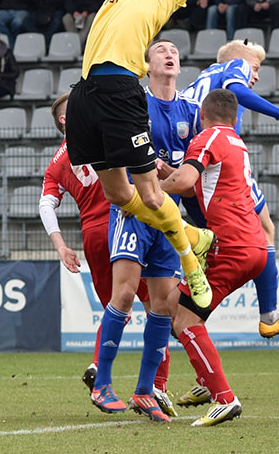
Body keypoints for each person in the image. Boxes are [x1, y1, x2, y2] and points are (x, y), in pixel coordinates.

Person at [63, 0, 250, 314]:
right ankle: (193, 235)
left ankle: (191, 259)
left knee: (148, 193)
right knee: (119, 196)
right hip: (86, 90)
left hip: (123, 89)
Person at [41, 92, 171, 411]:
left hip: (94, 237)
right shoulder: (104, 135)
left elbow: (46, 204)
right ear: (64, 120)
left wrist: (61, 246)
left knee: (119, 307)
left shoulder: (56, 164)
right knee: (159, 303)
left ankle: (102, 368)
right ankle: (156, 386)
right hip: (126, 218)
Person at [178, 41, 279, 346]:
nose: (256, 76)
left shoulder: (200, 80)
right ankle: (270, 317)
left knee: (211, 238)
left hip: (191, 163)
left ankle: (194, 290)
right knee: (265, 230)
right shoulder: (232, 66)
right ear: (240, 59)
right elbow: (238, 91)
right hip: (217, 158)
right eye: (256, 66)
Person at [159, 90, 268, 426]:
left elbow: (185, 181)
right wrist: (170, 172)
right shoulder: (235, 140)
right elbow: (195, 183)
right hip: (253, 245)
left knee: (185, 321)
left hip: (231, 246)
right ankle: (207, 382)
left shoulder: (207, 137)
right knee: (171, 306)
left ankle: (224, 398)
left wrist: (144, 193)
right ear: (235, 118)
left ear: (202, 116)